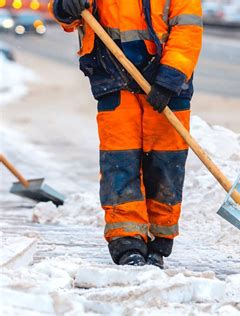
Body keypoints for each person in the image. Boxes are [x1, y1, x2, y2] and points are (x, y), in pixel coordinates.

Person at [49, 0, 203, 267]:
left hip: (166, 83)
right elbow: (68, 16)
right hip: (113, 79)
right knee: (120, 161)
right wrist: (65, 6)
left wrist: (170, 78)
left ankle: (159, 240)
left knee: (165, 163)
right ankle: (126, 241)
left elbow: (187, 30)